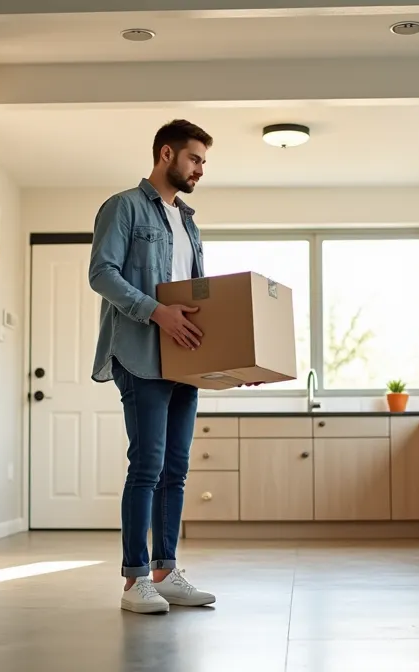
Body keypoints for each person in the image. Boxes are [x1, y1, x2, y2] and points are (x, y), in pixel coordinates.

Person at [88, 119, 254, 614]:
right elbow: (102, 274)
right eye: (195, 159)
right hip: (140, 354)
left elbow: (200, 300)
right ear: (166, 154)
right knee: (147, 465)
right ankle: (135, 579)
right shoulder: (123, 207)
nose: (201, 170)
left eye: (204, 162)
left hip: (185, 361)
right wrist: (155, 311)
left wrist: (230, 358)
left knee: (176, 470)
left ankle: (166, 569)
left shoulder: (188, 222)